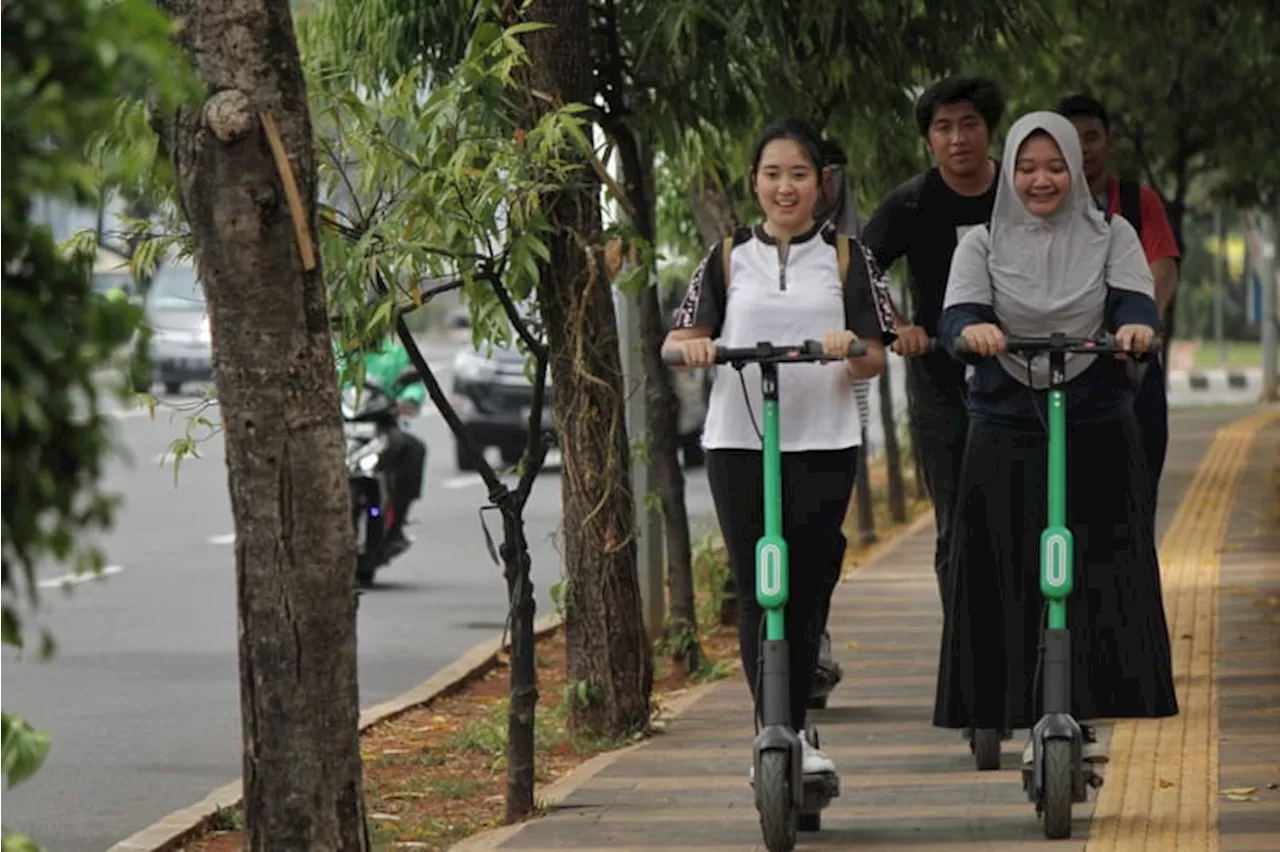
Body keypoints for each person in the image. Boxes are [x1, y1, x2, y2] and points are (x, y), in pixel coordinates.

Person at [933, 111, 1179, 766]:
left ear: (1075, 169)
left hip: (1093, 406)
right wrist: (975, 331)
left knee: (1107, 555)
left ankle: (1093, 690)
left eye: (1055, 166)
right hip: (1007, 410)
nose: (1041, 180)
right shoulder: (980, 244)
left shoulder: (1111, 234)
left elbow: (1133, 301)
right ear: (1009, 173)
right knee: (989, 558)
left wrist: (1133, 331)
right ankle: (993, 698)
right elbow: (958, 313)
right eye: (1027, 167)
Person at [665, 118, 890, 779]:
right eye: (772, 175)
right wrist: (696, 349)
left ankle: (793, 724)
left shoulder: (850, 259)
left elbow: (877, 354)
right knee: (760, 584)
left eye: (798, 174)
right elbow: (677, 341)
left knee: (809, 582)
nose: (785, 187)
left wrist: (846, 348)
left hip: (824, 442)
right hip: (739, 442)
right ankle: (778, 728)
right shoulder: (728, 256)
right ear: (755, 184)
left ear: (821, 184)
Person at [860, 76, 1005, 603]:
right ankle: (962, 653)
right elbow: (860, 266)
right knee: (957, 520)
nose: (958, 138)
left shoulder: (1020, 194)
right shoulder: (911, 203)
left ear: (991, 131)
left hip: (1020, 376)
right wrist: (896, 326)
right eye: (943, 128)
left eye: (970, 124)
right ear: (929, 141)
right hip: (941, 383)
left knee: (1025, 515)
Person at [1058, 94, 1180, 520]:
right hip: (1064, 372)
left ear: (1109, 143)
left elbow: (1161, 269)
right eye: (1073, 141)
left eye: (1093, 138)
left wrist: (1142, 327)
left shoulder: (1137, 202)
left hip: (1130, 367)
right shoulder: (1042, 209)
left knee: (1137, 497)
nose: (1085, 149)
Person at [335, 333, 428, 552]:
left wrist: (409, 400)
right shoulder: (336, 352)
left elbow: (413, 384)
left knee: (414, 451)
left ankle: (398, 521)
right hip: (342, 425)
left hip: (381, 424)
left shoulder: (394, 353)